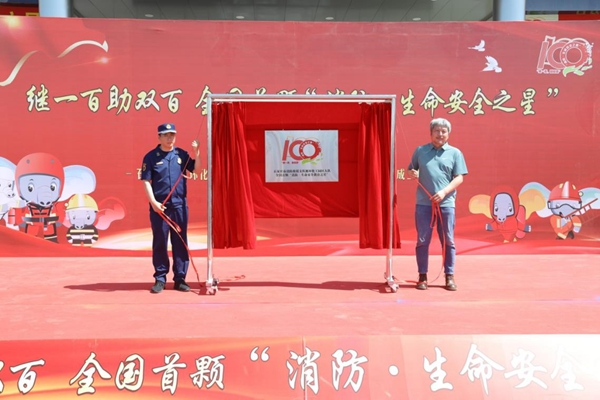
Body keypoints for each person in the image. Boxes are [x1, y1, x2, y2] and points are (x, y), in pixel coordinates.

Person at [407, 118, 467, 291]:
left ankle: (449, 276)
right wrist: (412, 173)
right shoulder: (420, 151)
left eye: (443, 131)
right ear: (431, 133)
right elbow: (411, 170)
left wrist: (443, 192)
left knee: (448, 240)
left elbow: (459, 178)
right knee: (422, 240)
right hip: (424, 204)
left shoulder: (455, 153)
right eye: (437, 131)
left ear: (448, 134)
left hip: (446, 203)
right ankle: (422, 276)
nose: (440, 134)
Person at [140, 123, 201, 293]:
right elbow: (146, 181)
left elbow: (197, 170)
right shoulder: (151, 157)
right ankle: (160, 278)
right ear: (159, 137)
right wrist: (153, 203)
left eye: (172, 135)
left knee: (180, 242)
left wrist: (196, 152)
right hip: (160, 208)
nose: (169, 138)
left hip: (179, 206)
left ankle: (180, 279)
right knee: (160, 242)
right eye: (166, 135)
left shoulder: (181, 154)